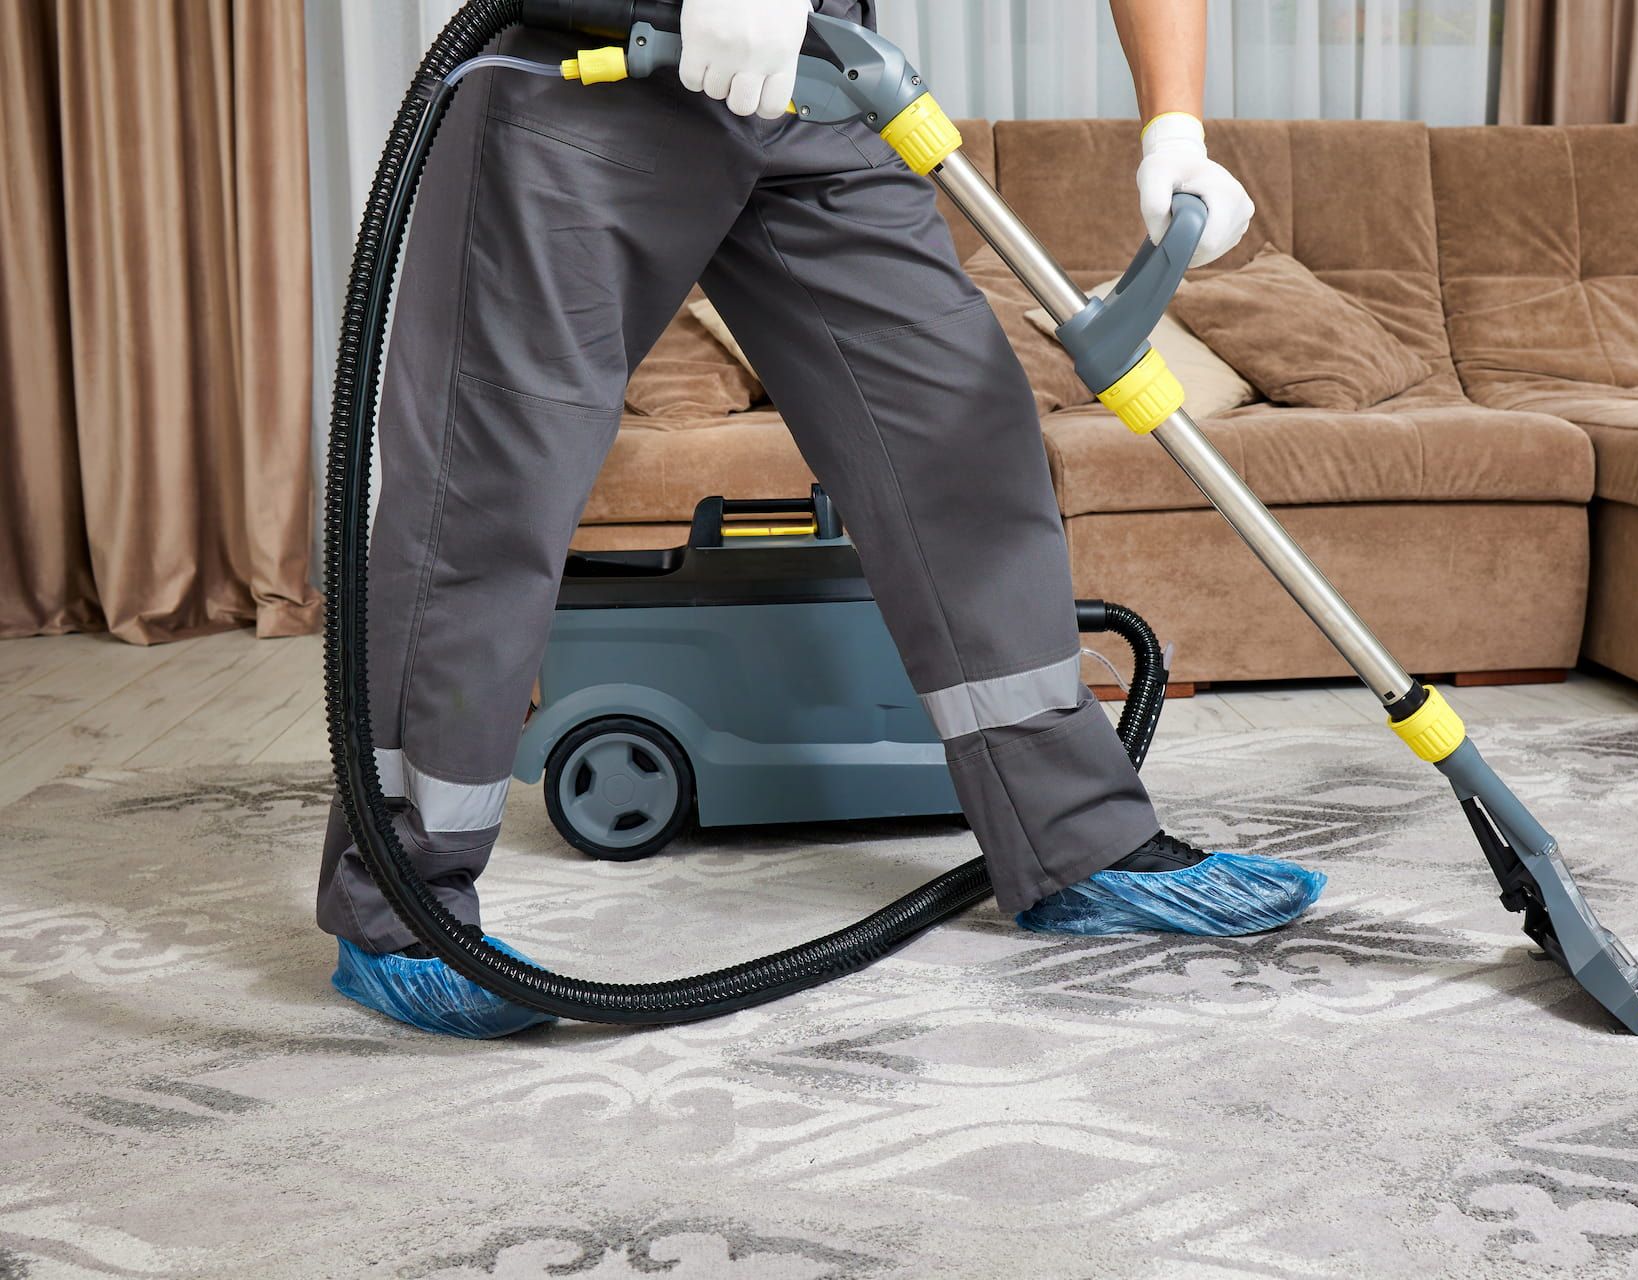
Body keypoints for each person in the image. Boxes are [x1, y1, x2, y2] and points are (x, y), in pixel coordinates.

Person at [321, 0, 1320, 1039]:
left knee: (958, 437)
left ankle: (1074, 842)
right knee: (491, 487)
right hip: (599, 54)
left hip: (811, 72)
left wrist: (1176, 128)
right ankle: (401, 903)